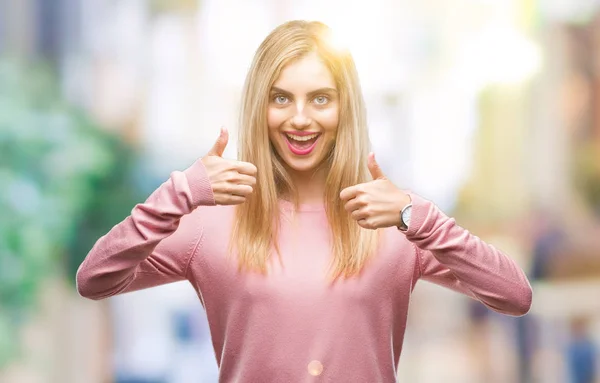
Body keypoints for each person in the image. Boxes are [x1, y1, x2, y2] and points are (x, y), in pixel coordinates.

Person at [76, 20, 533, 382]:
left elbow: (514, 295)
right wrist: (179, 193)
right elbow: (94, 279)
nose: (300, 118)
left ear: (345, 109)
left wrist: (418, 217)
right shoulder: (209, 221)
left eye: (320, 99)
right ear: (260, 106)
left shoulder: (393, 219)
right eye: (281, 98)